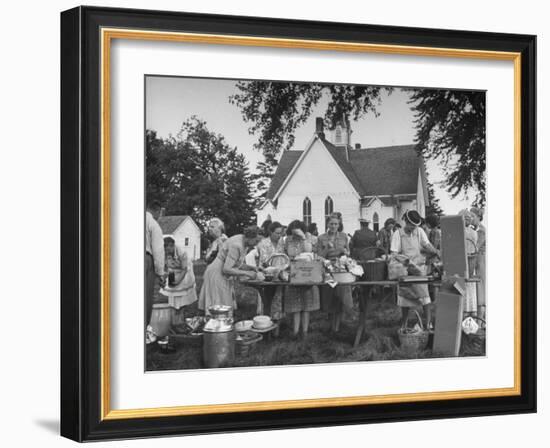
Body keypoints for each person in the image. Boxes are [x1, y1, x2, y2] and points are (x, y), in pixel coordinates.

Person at [198, 225, 262, 316]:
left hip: (221, 273)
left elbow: (235, 263)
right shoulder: (237, 245)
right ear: (249, 237)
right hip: (216, 273)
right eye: (256, 241)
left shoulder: (244, 242)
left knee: (224, 304)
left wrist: (251, 268)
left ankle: (222, 325)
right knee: (219, 306)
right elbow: (227, 269)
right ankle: (216, 326)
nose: (256, 244)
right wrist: (247, 273)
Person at [390, 210, 439, 328]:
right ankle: (405, 324)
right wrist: (404, 262)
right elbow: (394, 253)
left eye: (415, 226)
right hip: (405, 270)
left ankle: (428, 324)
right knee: (405, 299)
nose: (413, 228)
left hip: (419, 270)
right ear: (406, 221)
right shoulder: (398, 234)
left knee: (425, 297)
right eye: (411, 225)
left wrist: (435, 252)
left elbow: (427, 245)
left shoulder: (420, 231)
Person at [283, 220, 320, 337]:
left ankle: (304, 331)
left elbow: (309, 251)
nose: (295, 236)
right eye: (293, 233)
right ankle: (295, 331)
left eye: (297, 232)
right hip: (293, 271)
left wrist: (303, 237)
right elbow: (286, 254)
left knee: (307, 304)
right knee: (295, 304)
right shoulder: (288, 240)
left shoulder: (308, 238)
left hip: (307, 271)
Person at [318, 215, 353, 332]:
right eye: (331, 224)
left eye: (336, 224)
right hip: (328, 269)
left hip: (341, 269)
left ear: (339, 225)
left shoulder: (344, 236)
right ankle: (331, 325)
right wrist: (327, 248)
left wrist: (345, 252)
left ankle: (338, 325)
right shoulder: (321, 238)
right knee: (330, 296)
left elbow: (348, 253)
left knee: (341, 296)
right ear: (327, 224)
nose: (333, 226)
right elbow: (319, 256)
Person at [159, 237, 197, 332]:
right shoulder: (164, 252)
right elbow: (164, 268)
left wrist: (178, 281)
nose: (168, 252)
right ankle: (174, 323)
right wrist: (163, 279)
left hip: (184, 273)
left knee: (182, 301)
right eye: (165, 250)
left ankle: (180, 322)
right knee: (173, 300)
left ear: (173, 246)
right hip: (173, 272)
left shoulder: (182, 252)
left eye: (169, 249)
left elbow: (184, 269)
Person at [145, 200, 165, 339]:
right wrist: (160, 273)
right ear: (158, 211)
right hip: (145, 259)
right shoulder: (153, 224)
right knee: (144, 298)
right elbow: (158, 250)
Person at [256, 221, 285, 318]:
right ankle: (265, 321)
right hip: (267, 277)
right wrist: (274, 269)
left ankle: (276, 326)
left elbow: (284, 258)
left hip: (280, 277)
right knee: (267, 301)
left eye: (281, 233)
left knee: (278, 301)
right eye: (277, 233)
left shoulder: (282, 243)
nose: (279, 235)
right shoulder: (263, 243)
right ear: (270, 232)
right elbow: (264, 261)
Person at [470, 206, 486, 321]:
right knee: (475, 289)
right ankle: (477, 319)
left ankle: (480, 321)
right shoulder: (473, 229)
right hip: (475, 260)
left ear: (479, 217)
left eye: (473, 216)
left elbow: (476, 247)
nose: (471, 219)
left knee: (480, 290)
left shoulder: (481, 230)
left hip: (480, 261)